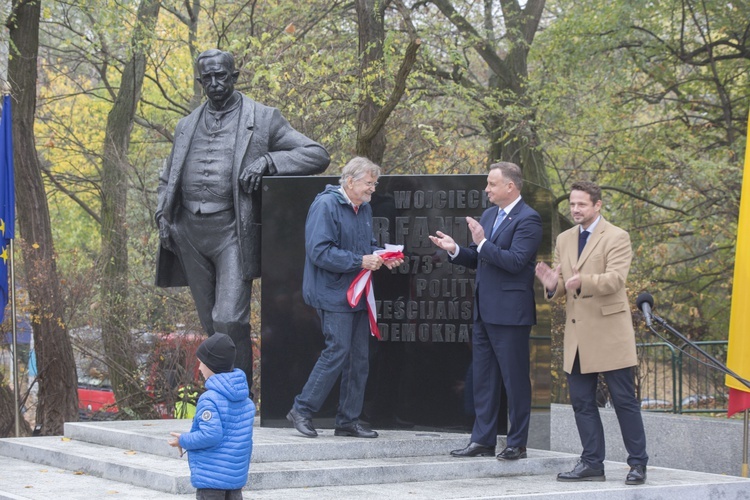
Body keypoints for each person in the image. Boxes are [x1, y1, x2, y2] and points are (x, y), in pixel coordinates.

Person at [155, 49, 330, 390]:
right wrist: (163, 213)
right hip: (188, 233)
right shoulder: (186, 124)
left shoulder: (263, 118)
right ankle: (226, 394)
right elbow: (168, 175)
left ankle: (239, 397)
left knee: (229, 318)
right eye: (208, 78)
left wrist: (268, 162)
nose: (216, 83)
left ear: (235, 77)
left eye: (222, 76)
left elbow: (316, 154)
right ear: (200, 81)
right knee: (211, 324)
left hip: (232, 232)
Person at [535, 180, 648, 485]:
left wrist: (582, 280)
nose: (575, 209)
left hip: (610, 333)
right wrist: (551, 285)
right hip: (578, 336)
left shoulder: (617, 236)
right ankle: (592, 463)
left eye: (582, 204)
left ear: (598, 205)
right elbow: (561, 286)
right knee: (582, 403)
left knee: (624, 401)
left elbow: (615, 280)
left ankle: (637, 464)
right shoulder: (565, 239)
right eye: (572, 204)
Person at [429, 162, 542, 461]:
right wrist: (455, 250)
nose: (487, 189)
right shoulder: (490, 215)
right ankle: (482, 440)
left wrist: (482, 242)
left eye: (492, 184)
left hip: (511, 314)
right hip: (483, 311)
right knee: (484, 378)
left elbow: (515, 261)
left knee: (515, 380)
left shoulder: (529, 219)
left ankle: (517, 442)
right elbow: (479, 258)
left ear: (510, 186)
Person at [287, 157, 404, 439]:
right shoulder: (325, 205)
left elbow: (363, 247)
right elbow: (320, 252)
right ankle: (301, 409)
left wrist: (381, 256)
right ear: (350, 181)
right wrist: (360, 261)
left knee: (360, 358)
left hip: (357, 292)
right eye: (369, 183)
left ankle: (348, 420)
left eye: (374, 184)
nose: (372, 190)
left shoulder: (362, 208)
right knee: (337, 350)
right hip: (332, 293)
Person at [168, 333, 255, 499]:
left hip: (211, 480)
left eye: (201, 362)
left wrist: (183, 440)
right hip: (235, 481)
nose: (199, 368)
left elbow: (210, 434)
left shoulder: (209, 398)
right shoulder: (246, 402)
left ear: (211, 364)